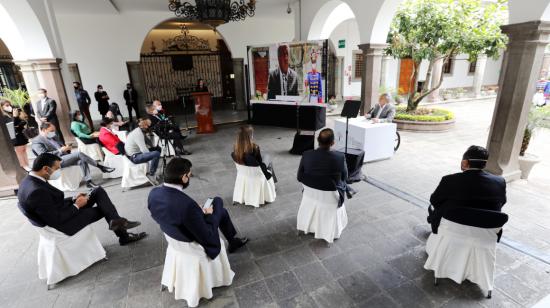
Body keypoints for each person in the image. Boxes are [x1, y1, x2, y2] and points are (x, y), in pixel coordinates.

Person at [17, 153, 146, 245]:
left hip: (63, 210)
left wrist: (74, 198)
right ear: (45, 168)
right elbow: (56, 219)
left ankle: (117, 224)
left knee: (97, 191)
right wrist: (76, 206)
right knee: (105, 210)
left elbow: (51, 202)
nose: (59, 171)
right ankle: (123, 234)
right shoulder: (36, 191)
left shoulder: (31, 180)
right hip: (63, 224)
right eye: (57, 168)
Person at [148, 157, 248, 259]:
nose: (190, 178)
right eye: (190, 175)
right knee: (218, 201)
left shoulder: (153, 194)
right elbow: (207, 235)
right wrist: (208, 214)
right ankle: (232, 241)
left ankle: (232, 241)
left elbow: (173, 213)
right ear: (184, 177)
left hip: (177, 233)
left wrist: (197, 212)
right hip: (194, 238)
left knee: (222, 211)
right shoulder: (187, 205)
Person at [427, 145, 507, 231]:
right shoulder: (500, 181)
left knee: (435, 207)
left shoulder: (449, 180)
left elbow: (434, 200)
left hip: (453, 225)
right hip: (485, 229)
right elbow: (502, 203)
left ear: (464, 163)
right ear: (484, 164)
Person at [32, 122, 115, 188]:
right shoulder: (37, 141)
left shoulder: (53, 137)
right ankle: (101, 167)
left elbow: (61, 147)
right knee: (79, 154)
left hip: (63, 157)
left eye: (54, 130)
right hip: (53, 162)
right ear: (43, 130)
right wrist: (60, 150)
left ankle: (89, 182)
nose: (53, 132)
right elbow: (43, 156)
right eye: (51, 131)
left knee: (81, 160)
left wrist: (67, 149)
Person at [297, 128, 356, 207]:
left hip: (310, 192)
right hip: (331, 196)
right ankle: (349, 190)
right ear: (333, 143)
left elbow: (299, 177)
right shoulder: (340, 157)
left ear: (318, 140)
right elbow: (345, 177)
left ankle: (348, 189)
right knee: (340, 180)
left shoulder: (306, 154)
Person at [124, 118, 161, 184]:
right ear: (143, 126)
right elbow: (144, 149)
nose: (148, 128)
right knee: (156, 153)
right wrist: (151, 157)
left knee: (157, 149)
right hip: (134, 157)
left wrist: (150, 136)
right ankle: (151, 174)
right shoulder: (138, 133)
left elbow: (151, 144)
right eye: (147, 126)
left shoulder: (140, 131)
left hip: (137, 153)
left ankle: (153, 171)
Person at [1, 99, 30, 171]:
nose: (9, 107)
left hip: (21, 134)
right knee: (19, 151)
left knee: (24, 150)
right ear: (2, 107)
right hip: (14, 136)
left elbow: (20, 123)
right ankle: (23, 165)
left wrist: (19, 122)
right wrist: (15, 117)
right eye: (7, 105)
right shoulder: (3, 116)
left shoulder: (12, 113)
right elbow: (11, 126)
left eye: (9, 105)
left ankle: (27, 164)